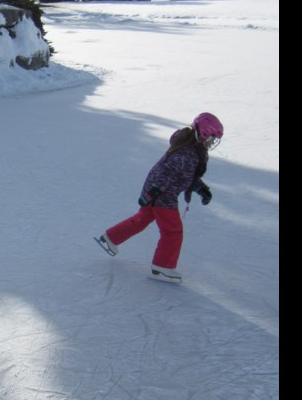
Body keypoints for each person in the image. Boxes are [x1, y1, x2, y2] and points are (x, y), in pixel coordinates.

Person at [96, 112, 224, 283]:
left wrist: (202, 189)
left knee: (142, 219)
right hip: (162, 194)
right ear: (203, 133)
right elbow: (167, 172)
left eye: (215, 140)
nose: (212, 143)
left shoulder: (192, 148)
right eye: (211, 138)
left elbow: (185, 176)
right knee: (172, 231)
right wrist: (154, 192)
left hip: (157, 190)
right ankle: (162, 267)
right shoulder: (187, 153)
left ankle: (110, 238)